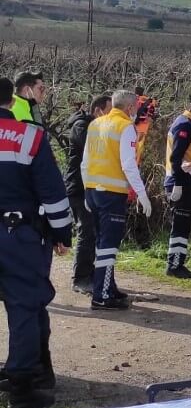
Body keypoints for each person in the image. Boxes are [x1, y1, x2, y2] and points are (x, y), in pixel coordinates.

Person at [0, 77, 73, 408]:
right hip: (18, 237)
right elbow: (54, 194)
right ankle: (23, 389)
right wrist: (62, 233)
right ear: (10, 100)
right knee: (25, 308)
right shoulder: (29, 137)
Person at [82, 89, 153, 309]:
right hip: (112, 193)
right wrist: (142, 194)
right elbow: (128, 165)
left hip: (93, 191)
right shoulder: (126, 127)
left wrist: (87, 188)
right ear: (131, 108)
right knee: (108, 246)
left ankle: (108, 287)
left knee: (102, 243)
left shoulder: (96, 124)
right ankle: (101, 295)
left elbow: (85, 160)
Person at [64, 94, 112, 294]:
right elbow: (93, 149)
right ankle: (81, 278)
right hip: (79, 187)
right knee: (87, 230)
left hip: (93, 186)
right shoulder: (81, 126)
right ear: (99, 110)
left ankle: (90, 273)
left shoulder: (93, 126)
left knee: (92, 231)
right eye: (109, 110)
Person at [163, 94, 191, 278]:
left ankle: (176, 263)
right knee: (180, 224)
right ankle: (175, 265)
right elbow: (176, 158)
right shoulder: (185, 125)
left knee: (182, 224)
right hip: (179, 181)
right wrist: (178, 184)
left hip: (184, 180)